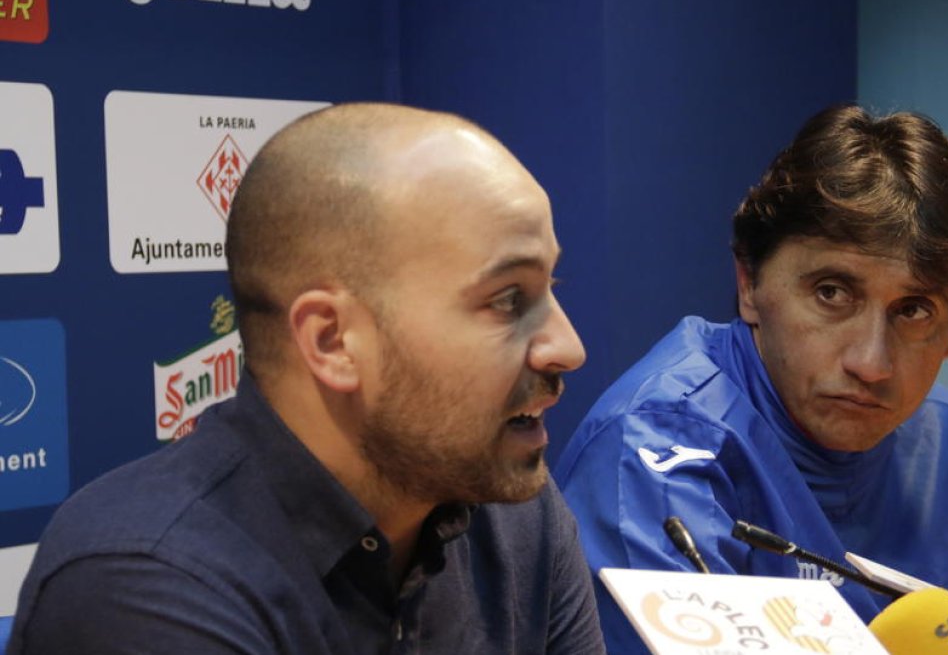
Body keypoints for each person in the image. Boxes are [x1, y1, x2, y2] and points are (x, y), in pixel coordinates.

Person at [8, 104, 604, 654]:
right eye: (507, 299)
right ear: (332, 340)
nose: (568, 348)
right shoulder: (142, 586)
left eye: (553, 287)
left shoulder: (515, 513)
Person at [555, 104, 948, 652]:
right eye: (832, 293)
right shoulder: (652, 448)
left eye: (914, 310)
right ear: (750, 285)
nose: (871, 364)